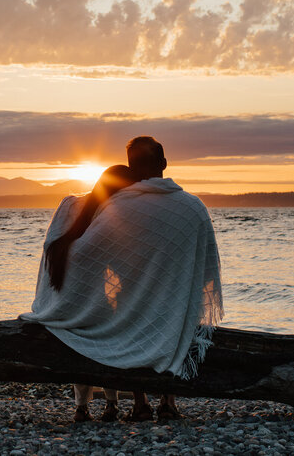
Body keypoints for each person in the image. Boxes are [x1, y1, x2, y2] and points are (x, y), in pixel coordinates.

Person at [23, 136, 223, 422]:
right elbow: (205, 269)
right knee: (177, 318)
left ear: (131, 165)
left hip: (131, 301)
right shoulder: (193, 206)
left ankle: (140, 403)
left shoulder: (120, 205)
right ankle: (168, 402)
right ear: (164, 163)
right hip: (176, 302)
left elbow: (94, 253)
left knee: (129, 313)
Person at [41, 164, 139, 422]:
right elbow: (119, 259)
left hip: (68, 300)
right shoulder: (112, 214)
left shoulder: (70, 205)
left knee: (83, 344)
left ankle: (83, 407)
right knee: (107, 339)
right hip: (90, 300)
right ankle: (110, 404)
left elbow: (54, 246)